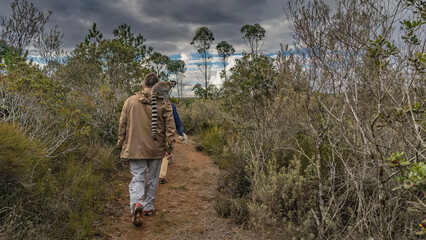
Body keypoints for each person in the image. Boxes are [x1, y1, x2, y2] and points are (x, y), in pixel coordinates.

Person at [117, 73, 176, 227]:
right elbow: (170, 127)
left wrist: (121, 143)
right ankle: (148, 207)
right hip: (156, 148)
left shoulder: (130, 101)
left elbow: (122, 124)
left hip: (134, 147)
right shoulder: (164, 102)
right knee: (152, 178)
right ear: (157, 86)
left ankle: (137, 204)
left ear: (143, 85)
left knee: (137, 178)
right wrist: (170, 147)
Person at [159, 102, 188, 184]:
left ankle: (151, 171)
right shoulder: (170, 105)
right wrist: (180, 132)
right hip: (167, 130)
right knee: (167, 149)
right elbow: (176, 119)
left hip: (154, 131)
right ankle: (162, 174)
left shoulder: (151, 103)